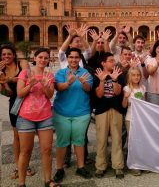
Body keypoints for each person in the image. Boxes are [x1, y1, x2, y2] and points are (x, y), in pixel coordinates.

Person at [16, 48, 59, 187]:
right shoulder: (25, 73)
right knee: (25, 151)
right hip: (26, 117)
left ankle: (48, 180)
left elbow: (50, 95)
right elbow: (20, 94)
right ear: (34, 58)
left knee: (46, 150)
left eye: (46, 58)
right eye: (40, 57)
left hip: (45, 116)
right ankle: (21, 183)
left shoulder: (49, 75)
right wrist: (31, 84)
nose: (43, 60)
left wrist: (46, 86)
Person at [53, 48, 93, 183]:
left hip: (81, 113)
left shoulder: (85, 73)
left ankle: (80, 167)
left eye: (76, 57)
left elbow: (88, 90)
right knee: (62, 141)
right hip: (62, 112)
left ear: (80, 59)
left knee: (79, 140)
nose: (74, 60)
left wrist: (83, 82)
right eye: (71, 57)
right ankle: (59, 168)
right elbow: (58, 87)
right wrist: (68, 83)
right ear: (67, 58)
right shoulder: (61, 72)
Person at [0, 44, 35, 180]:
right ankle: (18, 166)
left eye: (9, 54)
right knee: (17, 136)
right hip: (14, 103)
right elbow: (7, 92)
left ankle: (26, 164)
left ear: (14, 55)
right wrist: (1, 78)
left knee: (28, 136)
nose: (6, 56)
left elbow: (25, 78)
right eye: (3, 54)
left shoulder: (23, 63)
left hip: (28, 101)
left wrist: (7, 78)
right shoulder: (2, 70)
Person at [93, 52, 125, 179]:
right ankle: (100, 166)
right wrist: (101, 81)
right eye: (111, 60)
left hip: (116, 109)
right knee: (101, 139)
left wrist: (115, 79)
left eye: (114, 60)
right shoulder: (97, 76)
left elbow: (117, 92)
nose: (113, 62)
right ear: (103, 63)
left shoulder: (119, 75)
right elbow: (99, 94)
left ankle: (118, 166)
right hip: (102, 110)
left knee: (117, 139)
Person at [122, 66, 146, 176]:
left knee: (140, 141)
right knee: (132, 141)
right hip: (130, 118)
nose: (136, 77)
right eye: (134, 75)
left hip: (141, 119)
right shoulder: (127, 88)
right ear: (130, 77)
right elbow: (124, 105)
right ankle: (133, 164)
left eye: (138, 75)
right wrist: (125, 98)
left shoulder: (143, 88)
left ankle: (141, 163)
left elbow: (145, 104)